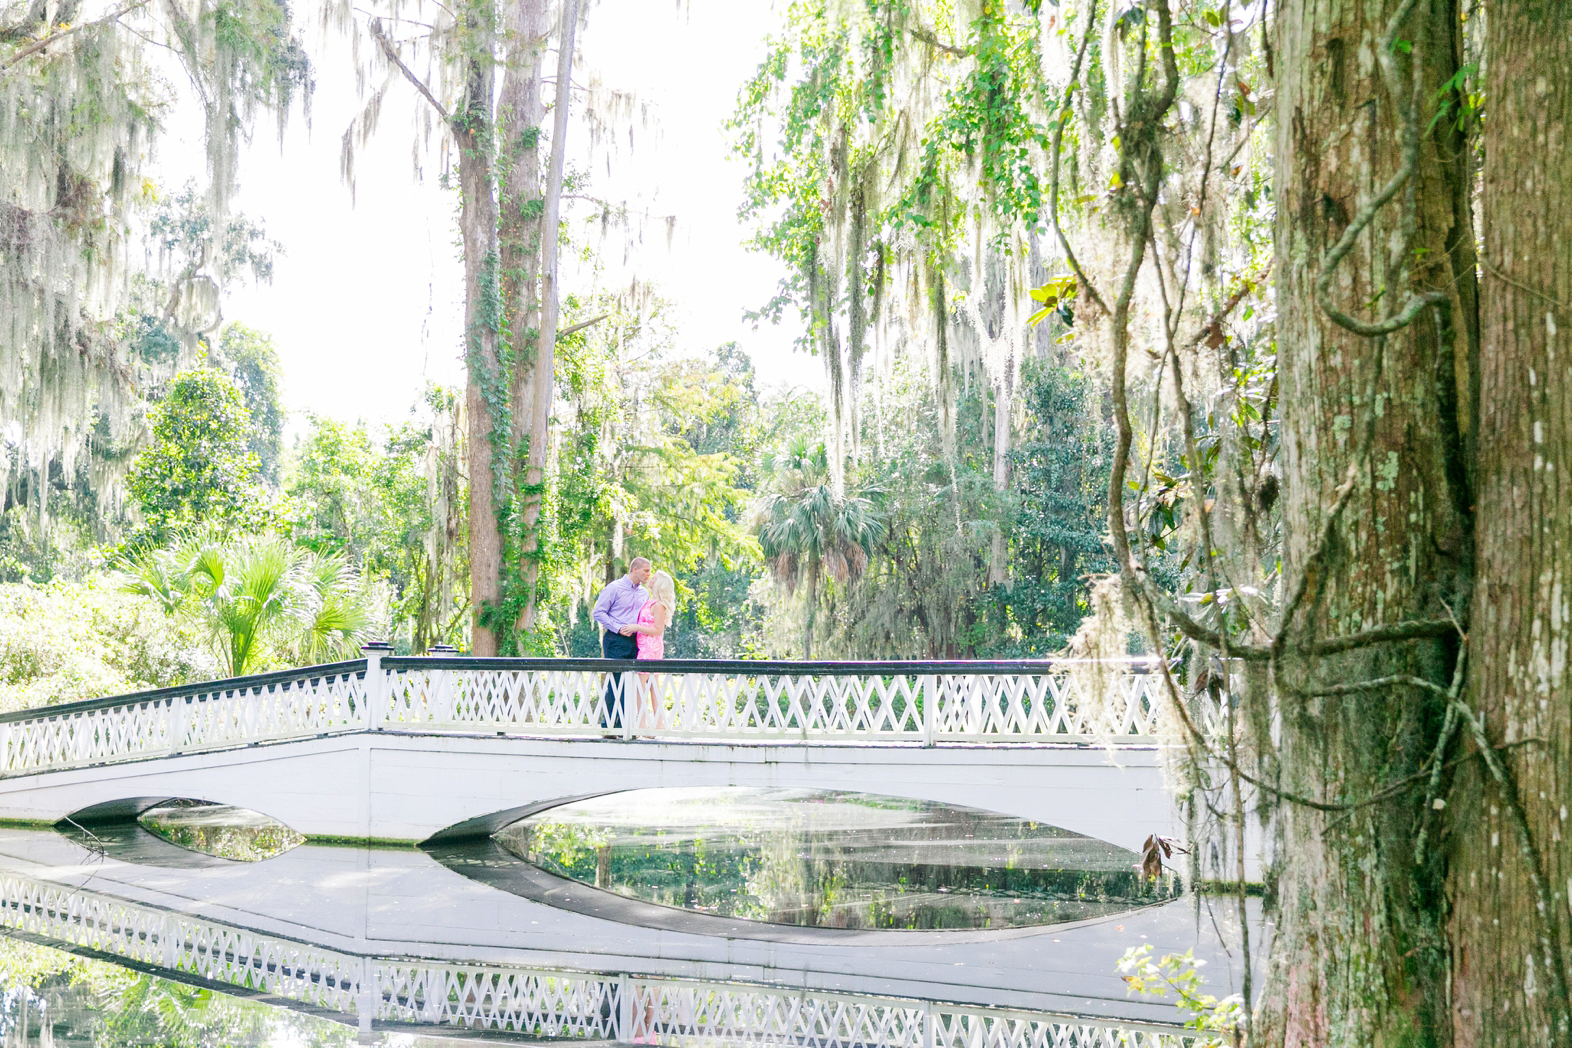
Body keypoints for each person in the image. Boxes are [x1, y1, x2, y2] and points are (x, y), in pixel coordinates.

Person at [591, 557, 651, 729]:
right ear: (635, 570)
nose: (648, 574)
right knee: (616, 681)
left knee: (630, 682)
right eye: (646, 570)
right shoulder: (614, 588)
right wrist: (618, 628)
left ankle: (624, 726)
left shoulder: (644, 593)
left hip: (635, 641)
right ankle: (608, 725)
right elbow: (599, 612)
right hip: (615, 640)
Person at [629, 570, 676, 731]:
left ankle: (646, 723)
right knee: (648, 686)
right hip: (642, 646)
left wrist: (636, 627)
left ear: (659, 584)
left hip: (651, 648)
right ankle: (656, 723)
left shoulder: (659, 606)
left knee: (643, 686)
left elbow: (657, 630)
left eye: (654, 578)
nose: (650, 579)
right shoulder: (649, 601)